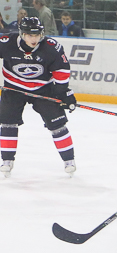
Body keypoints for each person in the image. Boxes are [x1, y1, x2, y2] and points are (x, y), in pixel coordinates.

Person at [0, 16, 77, 177]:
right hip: (13, 88)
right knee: (8, 122)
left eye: (36, 35)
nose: (33, 39)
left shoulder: (51, 47)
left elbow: (62, 71)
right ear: (21, 33)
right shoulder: (6, 42)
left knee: (57, 124)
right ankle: (7, 160)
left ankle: (69, 160)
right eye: (29, 35)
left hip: (43, 89)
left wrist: (63, 93)